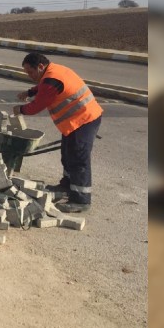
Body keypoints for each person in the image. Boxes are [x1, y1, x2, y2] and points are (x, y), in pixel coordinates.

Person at [13, 52, 103, 213]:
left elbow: (37, 106)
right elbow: (41, 85)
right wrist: (29, 92)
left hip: (84, 119)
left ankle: (81, 200)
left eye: (31, 72)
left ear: (40, 66)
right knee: (67, 154)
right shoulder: (52, 71)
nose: (29, 75)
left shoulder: (52, 80)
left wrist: (20, 109)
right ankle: (67, 186)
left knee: (78, 158)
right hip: (76, 121)